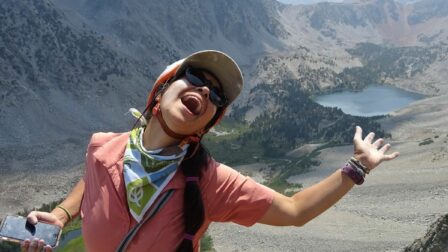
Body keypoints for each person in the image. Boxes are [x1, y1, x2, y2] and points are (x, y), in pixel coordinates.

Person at [20, 50, 399, 252]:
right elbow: (92, 178)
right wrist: (61, 214)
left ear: (205, 126)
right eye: (197, 79)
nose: (204, 92)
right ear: (160, 90)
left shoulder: (212, 182)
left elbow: (294, 211)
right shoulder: (102, 147)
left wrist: (357, 166)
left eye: (215, 95)